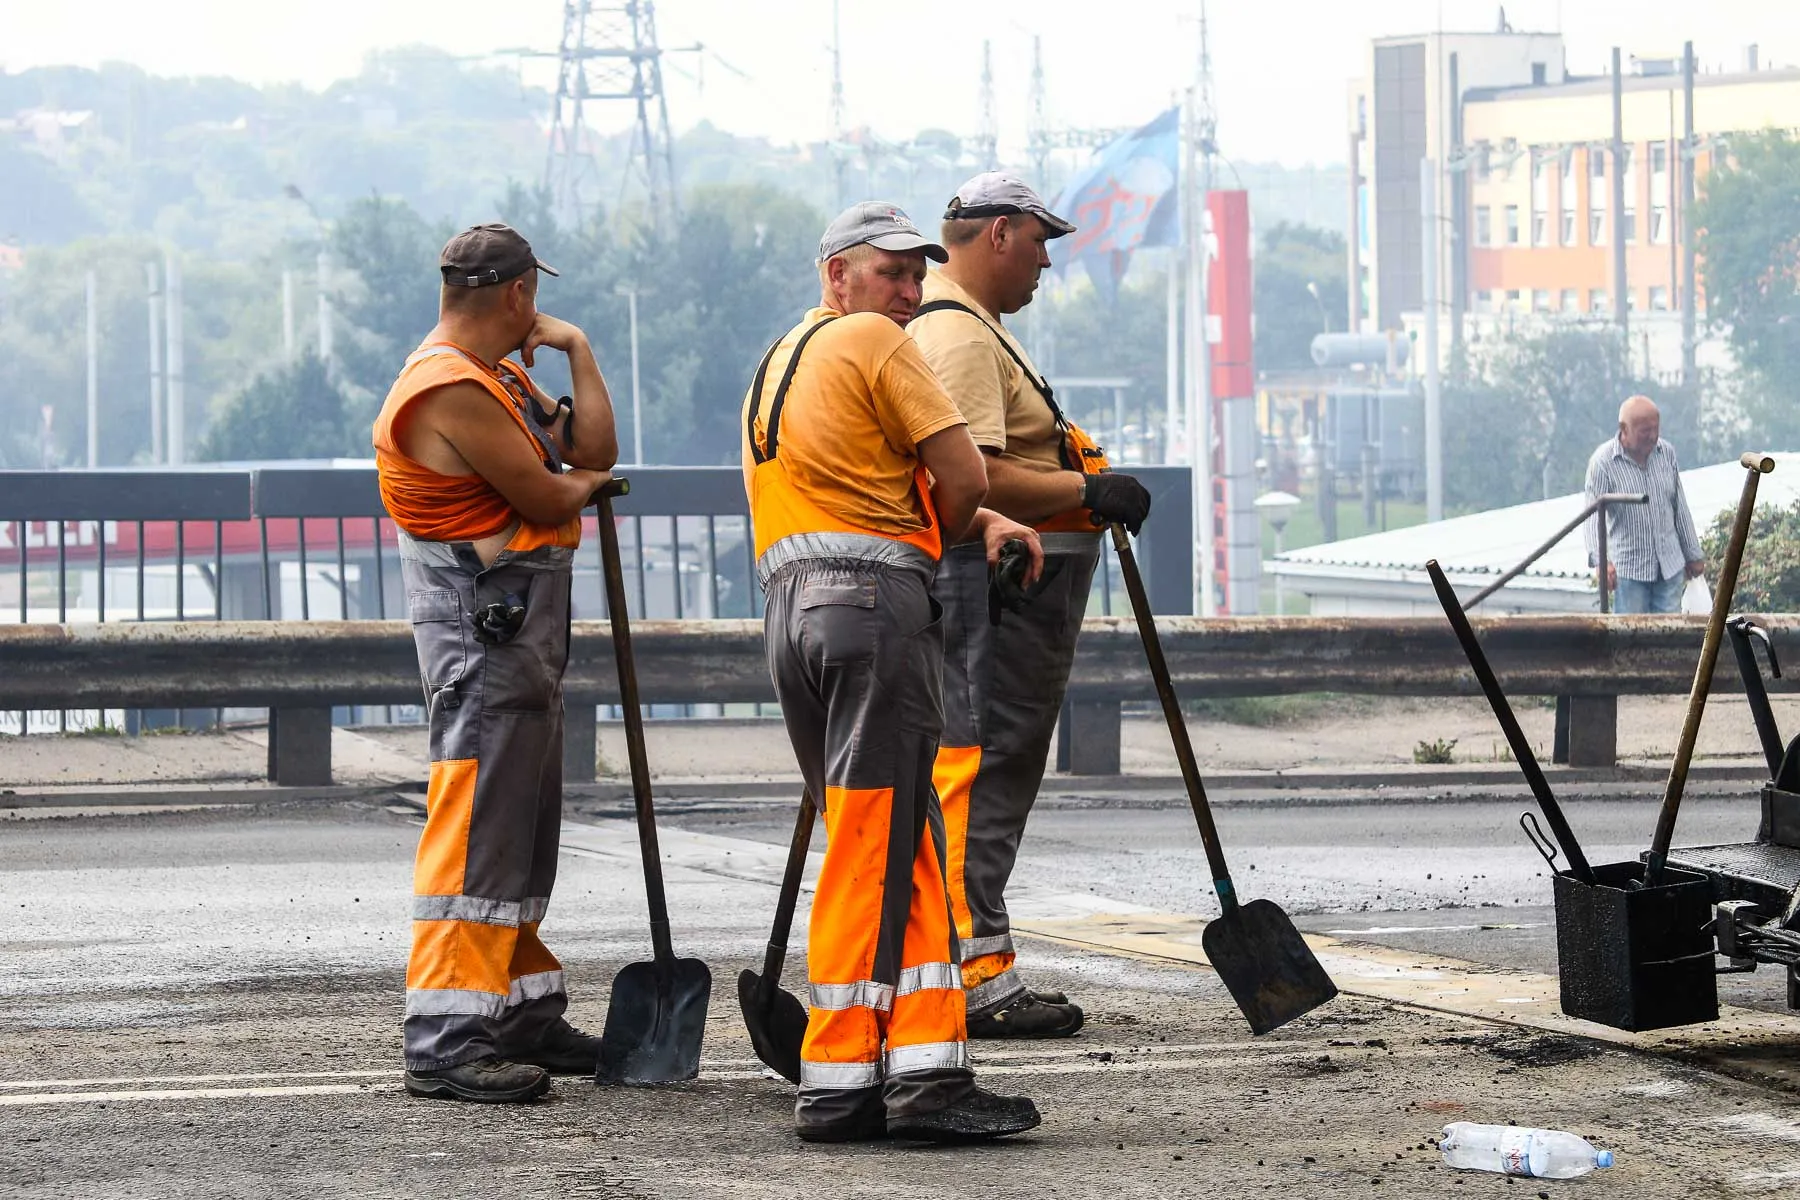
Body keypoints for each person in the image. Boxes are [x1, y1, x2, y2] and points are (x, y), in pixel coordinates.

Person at [744, 200, 1046, 1144]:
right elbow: (963, 476)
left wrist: (963, 526)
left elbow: (841, 481)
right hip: (875, 609)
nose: (910, 294)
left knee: (902, 837)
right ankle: (836, 1081)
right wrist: (955, 531)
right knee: (877, 842)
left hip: (793, 611)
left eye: (918, 276)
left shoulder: (781, 360)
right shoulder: (874, 339)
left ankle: (924, 1072)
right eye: (891, 274)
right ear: (837, 273)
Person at [372, 223, 619, 1103]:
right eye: (537, 299)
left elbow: (593, 450)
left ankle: (519, 1013)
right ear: (517, 294)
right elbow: (554, 487)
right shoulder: (446, 386)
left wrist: (579, 352)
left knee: (521, 829)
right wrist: (584, 491)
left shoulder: (501, 377)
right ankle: (446, 1038)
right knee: (478, 833)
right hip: (481, 639)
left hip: (518, 639)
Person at [908, 172, 1153, 1038]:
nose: (1048, 261)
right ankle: (974, 974)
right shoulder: (959, 335)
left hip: (1017, 591)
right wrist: (1086, 486)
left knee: (998, 765)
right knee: (981, 765)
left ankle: (970, 957)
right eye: (1041, 240)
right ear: (999, 233)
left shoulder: (973, 330)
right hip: (996, 590)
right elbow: (969, 475)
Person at [1584, 394, 1704, 614]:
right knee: (1632, 636)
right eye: (1645, 431)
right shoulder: (1602, 463)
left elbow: (1679, 506)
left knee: (1669, 635)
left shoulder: (1665, 452)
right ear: (1624, 428)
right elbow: (1592, 517)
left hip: (1669, 564)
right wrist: (1602, 562)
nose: (1652, 436)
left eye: (1655, 429)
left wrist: (1693, 554)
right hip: (1631, 569)